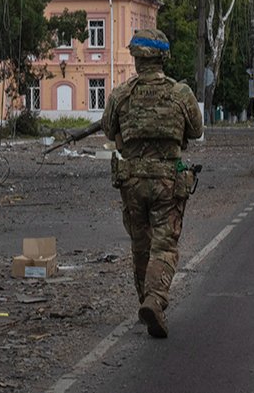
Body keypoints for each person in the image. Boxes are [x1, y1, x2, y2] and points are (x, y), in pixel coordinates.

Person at [81, 28, 203, 338]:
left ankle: (144, 302)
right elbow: (196, 130)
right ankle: (155, 299)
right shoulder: (181, 93)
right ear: (163, 57)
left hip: (131, 181)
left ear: (136, 59)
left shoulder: (121, 94)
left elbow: (109, 130)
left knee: (141, 245)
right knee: (164, 245)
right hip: (167, 181)